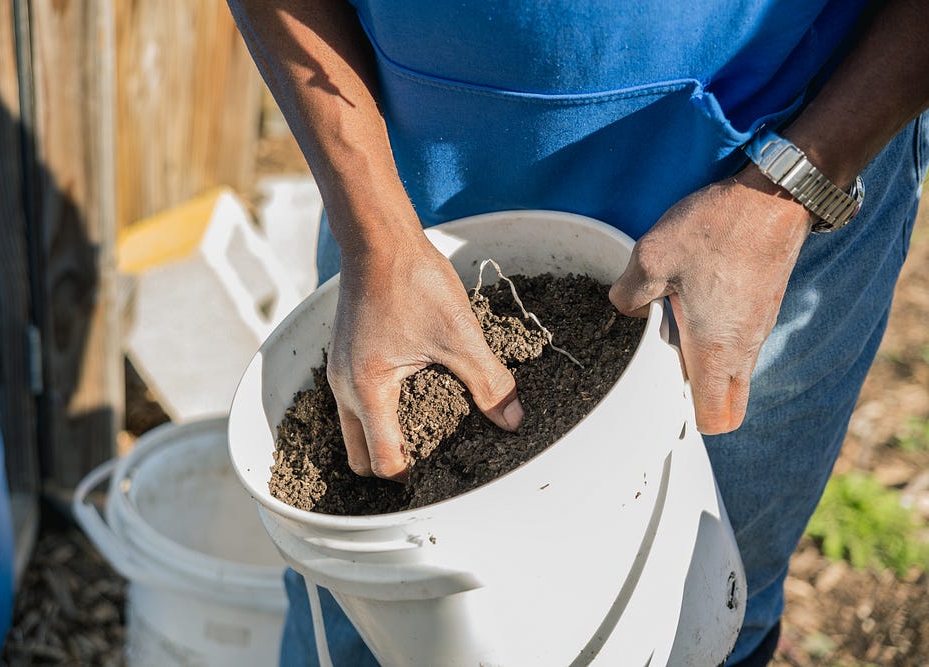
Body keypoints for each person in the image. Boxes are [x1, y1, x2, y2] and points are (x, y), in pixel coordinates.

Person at [228, 0, 929, 663]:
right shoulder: (385, 221)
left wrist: (790, 187)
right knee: (370, 615)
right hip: (410, 184)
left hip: (769, 177)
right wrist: (377, 235)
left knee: (696, 601)